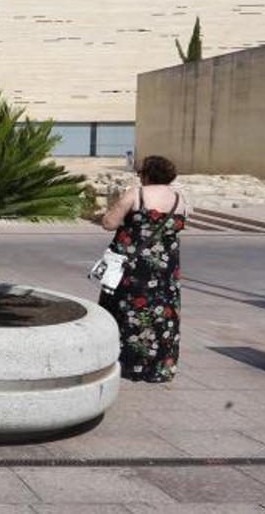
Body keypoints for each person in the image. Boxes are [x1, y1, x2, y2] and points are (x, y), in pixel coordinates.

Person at [99, 154, 187, 383]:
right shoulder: (181, 198)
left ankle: (126, 364)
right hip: (166, 271)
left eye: (141, 173)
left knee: (127, 310)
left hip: (134, 269)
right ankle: (159, 367)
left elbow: (109, 223)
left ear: (147, 174)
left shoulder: (136, 194)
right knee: (162, 314)